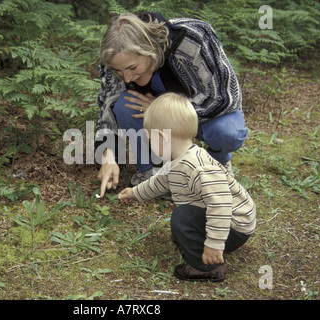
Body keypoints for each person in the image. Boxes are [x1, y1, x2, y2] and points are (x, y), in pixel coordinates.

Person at [96, 12, 248, 198]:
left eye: (132, 68)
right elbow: (107, 108)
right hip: (156, 117)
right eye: (120, 72)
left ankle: (216, 165)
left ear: (150, 48)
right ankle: (154, 171)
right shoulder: (115, 58)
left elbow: (225, 97)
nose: (127, 77)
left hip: (202, 112)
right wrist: (108, 155)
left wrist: (162, 110)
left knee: (227, 131)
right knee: (123, 105)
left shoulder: (194, 38)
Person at [118, 93, 256, 282]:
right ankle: (202, 243)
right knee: (184, 217)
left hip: (234, 225)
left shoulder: (198, 166)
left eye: (149, 140)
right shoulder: (178, 161)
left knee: (182, 218)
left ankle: (207, 267)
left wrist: (214, 243)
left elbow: (221, 205)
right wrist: (134, 193)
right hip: (223, 222)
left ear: (161, 137)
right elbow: (159, 182)